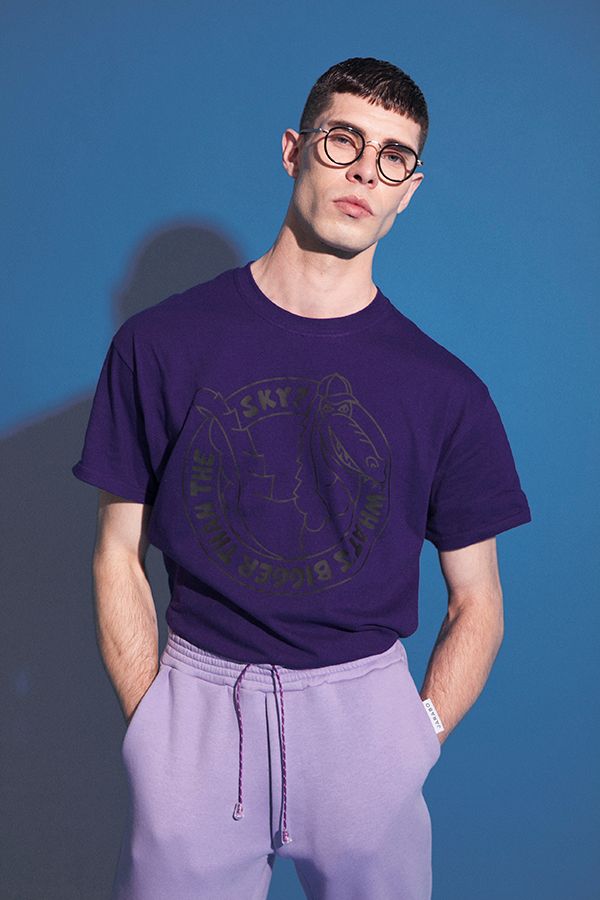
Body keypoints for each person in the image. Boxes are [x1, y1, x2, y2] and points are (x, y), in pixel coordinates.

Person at [72, 56, 532, 900]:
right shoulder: (160, 345)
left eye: (393, 157)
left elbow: (479, 601)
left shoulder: (445, 389)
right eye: (343, 140)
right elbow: (116, 554)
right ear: (294, 150)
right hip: (199, 710)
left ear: (409, 191)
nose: (365, 171)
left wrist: (414, 735)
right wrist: (152, 724)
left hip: (366, 720)